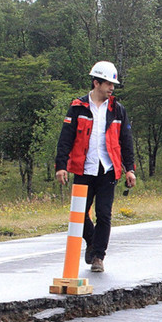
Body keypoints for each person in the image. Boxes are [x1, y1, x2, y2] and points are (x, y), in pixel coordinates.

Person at [55, 61, 136, 273]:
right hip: (83, 168)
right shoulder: (77, 107)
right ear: (96, 83)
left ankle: (99, 256)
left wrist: (130, 168)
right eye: (108, 83)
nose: (112, 88)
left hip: (108, 169)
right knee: (79, 214)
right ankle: (92, 241)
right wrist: (61, 166)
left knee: (104, 214)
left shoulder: (117, 110)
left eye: (113, 84)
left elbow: (126, 141)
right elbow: (65, 139)